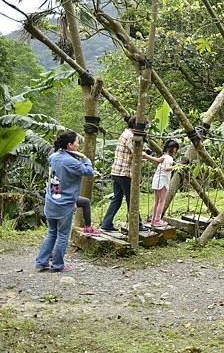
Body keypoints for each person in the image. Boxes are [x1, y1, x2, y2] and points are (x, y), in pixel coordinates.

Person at [35, 131, 94, 272]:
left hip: (50, 202)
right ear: (70, 145)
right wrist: (85, 158)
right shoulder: (72, 162)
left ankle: (41, 262)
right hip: (64, 205)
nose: (79, 145)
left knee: (51, 233)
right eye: (77, 142)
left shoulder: (53, 157)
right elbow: (89, 171)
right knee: (62, 236)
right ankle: (57, 265)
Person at [100, 116, 162, 233]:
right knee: (132, 199)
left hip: (117, 171)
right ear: (138, 126)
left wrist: (146, 150)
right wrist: (154, 159)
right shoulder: (130, 136)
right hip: (124, 173)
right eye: (144, 126)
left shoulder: (126, 133)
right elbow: (136, 152)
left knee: (117, 198)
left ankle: (106, 223)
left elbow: (136, 149)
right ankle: (137, 224)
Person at [150, 139, 179, 226]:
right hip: (162, 181)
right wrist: (176, 166)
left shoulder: (164, 156)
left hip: (157, 179)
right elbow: (167, 168)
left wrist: (146, 156)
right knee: (162, 201)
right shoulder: (169, 158)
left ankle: (153, 219)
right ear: (174, 149)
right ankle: (157, 220)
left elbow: (157, 160)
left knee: (156, 201)